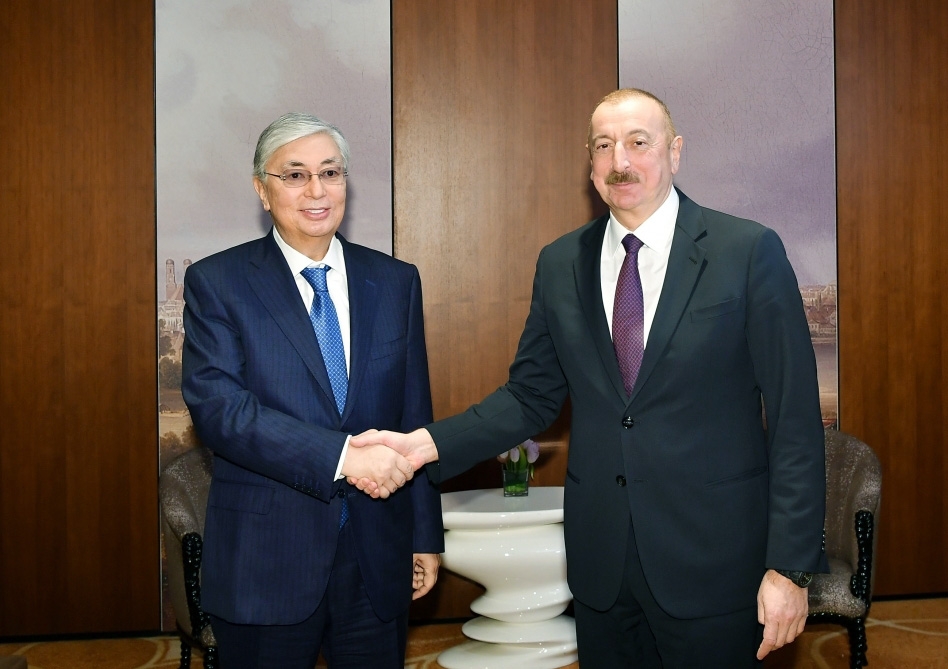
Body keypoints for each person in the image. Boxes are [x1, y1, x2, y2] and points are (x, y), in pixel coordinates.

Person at [352, 88, 827, 667]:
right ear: (591, 163)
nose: (620, 160)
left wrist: (790, 567)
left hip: (715, 561)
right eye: (603, 145)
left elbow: (795, 419)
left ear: (675, 152)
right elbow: (530, 397)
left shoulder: (747, 251)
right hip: (602, 567)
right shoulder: (560, 262)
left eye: (638, 142)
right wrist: (423, 445)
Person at [181, 112, 443, 669]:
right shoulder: (218, 282)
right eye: (295, 175)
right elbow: (222, 412)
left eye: (330, 172)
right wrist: (344, 457)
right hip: (266, 561)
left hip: (376, 558)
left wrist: (424, 535)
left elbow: (414, 414)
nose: (317, 191)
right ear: (262, 189)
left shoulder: (395, 281)